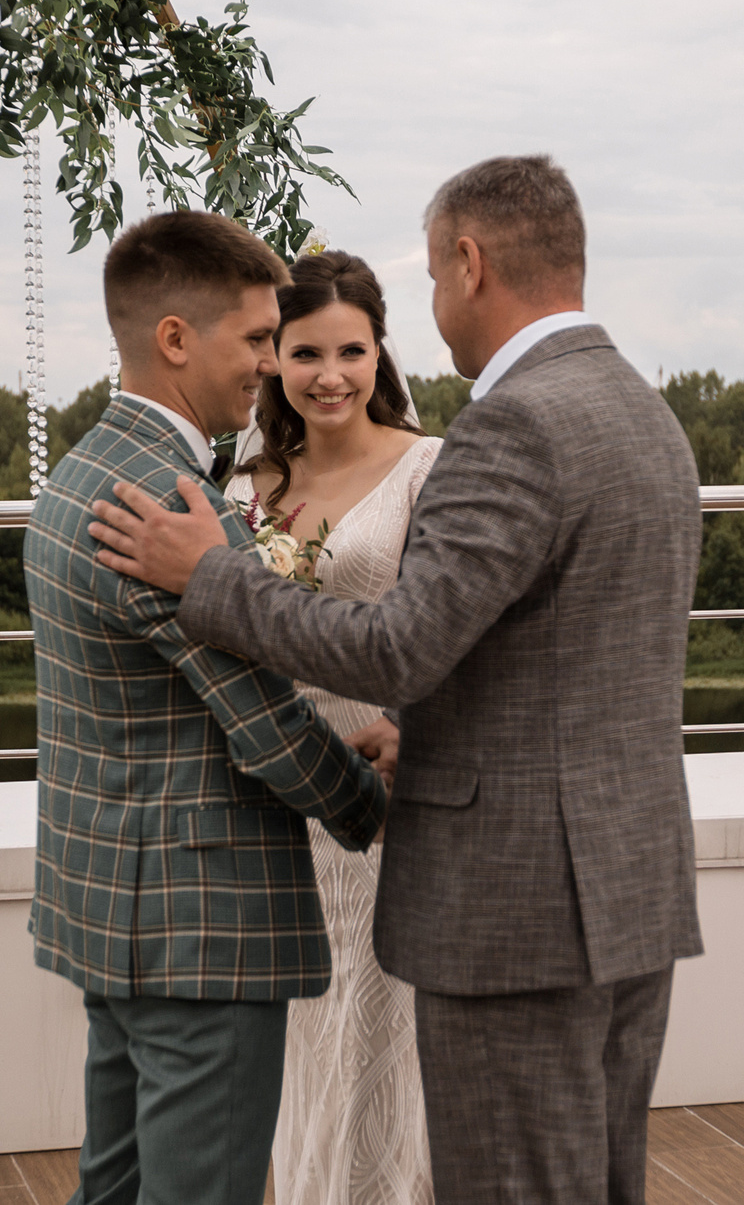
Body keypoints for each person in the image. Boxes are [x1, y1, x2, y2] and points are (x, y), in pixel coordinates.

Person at [89, 156, 704, 1205]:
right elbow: (566, 659)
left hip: (514, 909)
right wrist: (429, 735)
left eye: (428, 277)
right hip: (630, 885)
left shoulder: (513, 424)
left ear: (468, 263)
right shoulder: (642, 412)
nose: (433, 303)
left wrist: (210, 579)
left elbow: (397, 650)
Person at [24, 209, 392, 1205]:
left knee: (115, 1184)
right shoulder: (174, 505)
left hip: (111, 903)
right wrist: (370, 799)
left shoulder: (80, 472)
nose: (271, 365)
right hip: (202, 928)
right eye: (258, 338)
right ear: (176, 339)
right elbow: (264, 725)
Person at [228, 249, 441, 1205]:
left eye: (351, 350)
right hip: (275, 810)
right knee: (303, 1054)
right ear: (271, 357)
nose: (330, 375)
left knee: (383, 1048)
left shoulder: (427, 467)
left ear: (379, 351)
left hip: (386, 804)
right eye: (304, 351)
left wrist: (413, 734)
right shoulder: (248, 481)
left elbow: (448, 630)